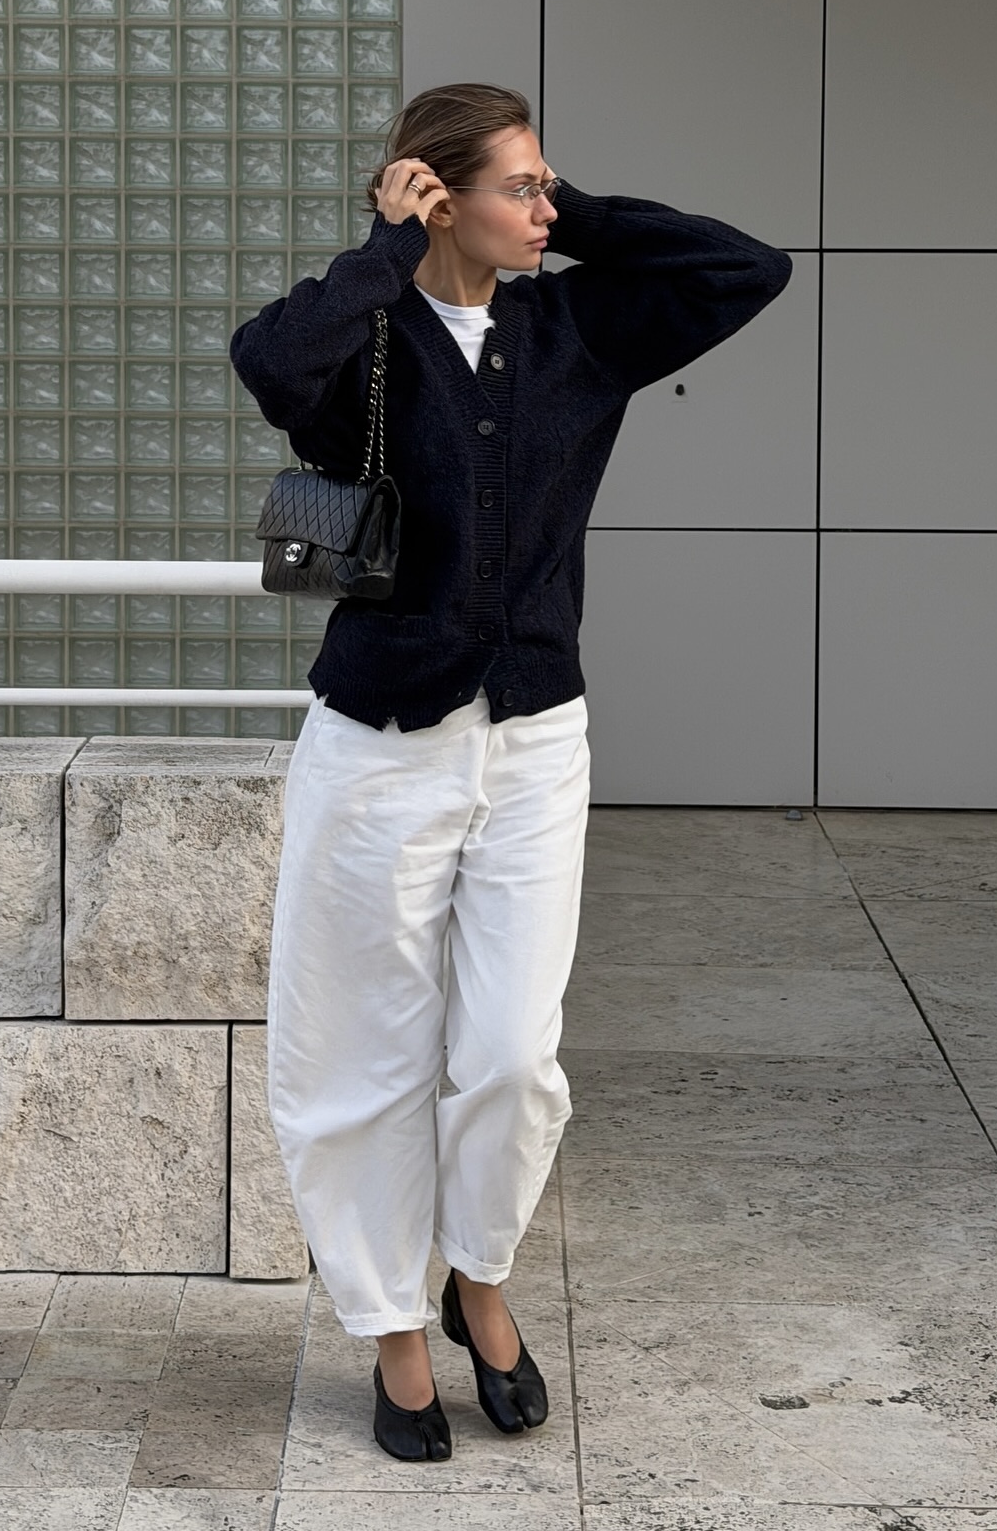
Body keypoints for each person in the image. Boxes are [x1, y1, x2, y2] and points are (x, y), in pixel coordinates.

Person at [230, 83, 791, 1461]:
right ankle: (393, 1330)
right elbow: (269, 364)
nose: (545, 208)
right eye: (521, 187)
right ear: (436, 197)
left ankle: (478, 1273)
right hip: (380, 749)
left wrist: (568, 208)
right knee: (359, 1057)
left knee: (511, 1059)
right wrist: (387, 248)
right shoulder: (364, 340)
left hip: (537, 741)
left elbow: (745, 269)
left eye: (550, 184)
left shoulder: (575, 329)